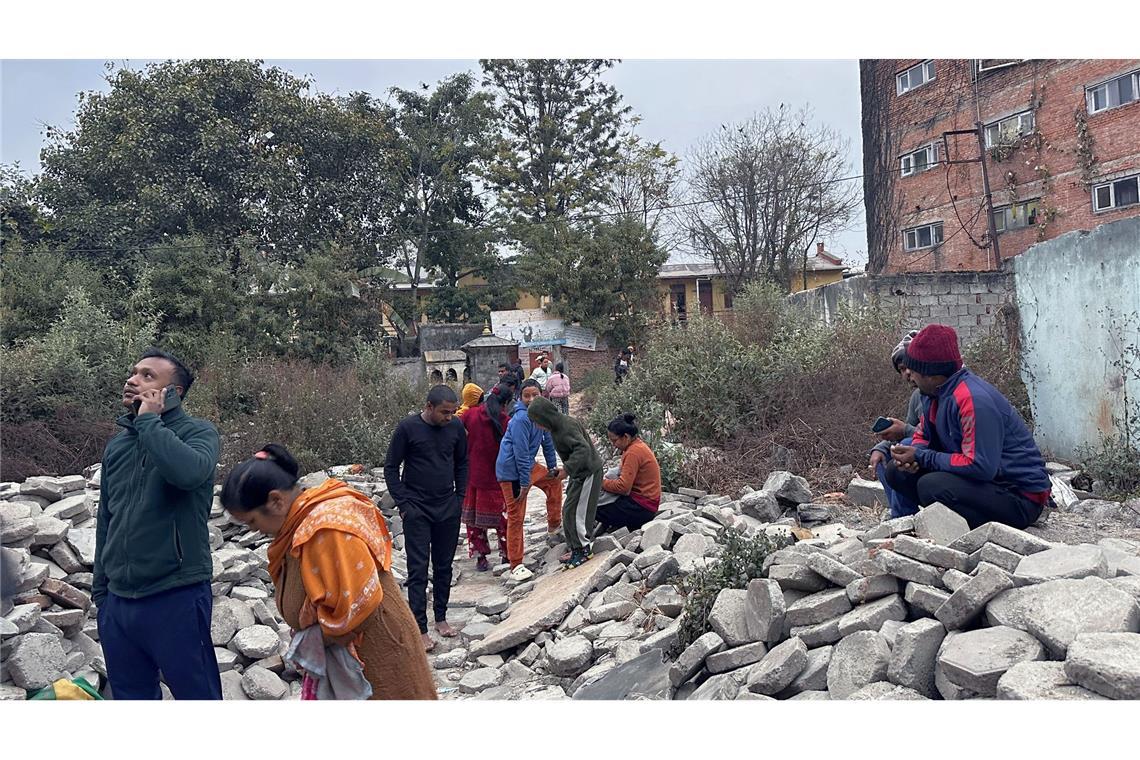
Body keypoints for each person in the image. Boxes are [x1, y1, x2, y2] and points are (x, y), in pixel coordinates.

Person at [220, 444, 436, 700]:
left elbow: (357, 605)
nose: (256, 531)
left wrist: (309, 641)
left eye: (254, 521)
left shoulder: (325, 529)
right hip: (352, 657)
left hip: (378, 656)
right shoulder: (298, 524)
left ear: (276, 500)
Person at [93, 348, 222, 700]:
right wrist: (101, 594)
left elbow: (188, 473)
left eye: (148, 376)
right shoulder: (118, 446)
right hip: (119, 605)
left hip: (175, 595)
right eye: (134, 372)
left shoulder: (199, 433)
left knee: (198, 697)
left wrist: (149, 421)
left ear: (173, 393)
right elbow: (107, 517)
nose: (132, 380)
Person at [882, 324, 1052, 530]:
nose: (910, 376)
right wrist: (913, 457)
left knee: (931, 486)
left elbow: (980, 466)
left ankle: (972, 533)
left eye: (913, 371)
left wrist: (922, 457)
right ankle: (912, 526)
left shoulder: (972, 399)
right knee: (897, 472)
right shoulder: (932, 395)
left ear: (931, 375)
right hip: (986, 484)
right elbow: (923, 436)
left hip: (1019, 496)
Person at [383, 385, 468, 651]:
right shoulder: (408, 428)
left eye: (452, 412)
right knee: (418, 570)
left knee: (444, 566)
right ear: (429, 407)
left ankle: (441, 618)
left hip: (447, 507)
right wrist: (404, 503)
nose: (448, 417)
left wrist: (459, 498)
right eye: (444, 412)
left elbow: (462, 463)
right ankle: (419, 628)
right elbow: (390, 467)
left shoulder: (455, 428)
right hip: (417, 509)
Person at [495, 379, 564, 582]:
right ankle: (516, 564)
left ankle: (554, 527)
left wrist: (552, 468)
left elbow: (548, 443)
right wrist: (524, 484)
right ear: (520, 398)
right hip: (511, 471)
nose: (532, 399)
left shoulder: (540, 416)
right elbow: (520, 453)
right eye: (527, 396)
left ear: (542, 395)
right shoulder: (520, 419)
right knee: (516, 515)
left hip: (528, 466)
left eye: (535, 395)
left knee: (554, 482)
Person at [527, 396, 604, 569]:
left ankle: (584, 549)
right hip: (579, 473)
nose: (538, 426)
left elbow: (582, 450)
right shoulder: (556, 428)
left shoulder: (566, 426)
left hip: (589, 472)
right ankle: (575, 547)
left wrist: (566, 470)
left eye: (538, 422)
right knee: (568, 509)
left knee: (578, 512)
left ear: (545, 417)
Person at [869, 330, 923, 518]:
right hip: (926, 457)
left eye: (910, 366)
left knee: (904, 449)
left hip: (946, 462)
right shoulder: (917, 397)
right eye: (901, 369)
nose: (907, 372)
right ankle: (902, 518)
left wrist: (905, 432)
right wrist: (880, 447)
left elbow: (940, 436)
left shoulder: (947, 393)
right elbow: (911, 429)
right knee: (884, 456)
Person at [462, 384, 513, 571]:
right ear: (506, 403)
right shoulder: (505, 420)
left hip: (473, 476)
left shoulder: (470, 415)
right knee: (503, 520)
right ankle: (507, 555)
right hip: (498, 478)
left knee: (474, 522)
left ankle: (481, 558)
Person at [596, 414, 662, 532]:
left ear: (625, 437)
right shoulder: (637, 446)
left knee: (593, 509)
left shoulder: (633, 452)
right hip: (646, 503)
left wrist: (600, 483)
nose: (613, 444)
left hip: (642, 508)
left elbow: (623, 487)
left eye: (614, 440)